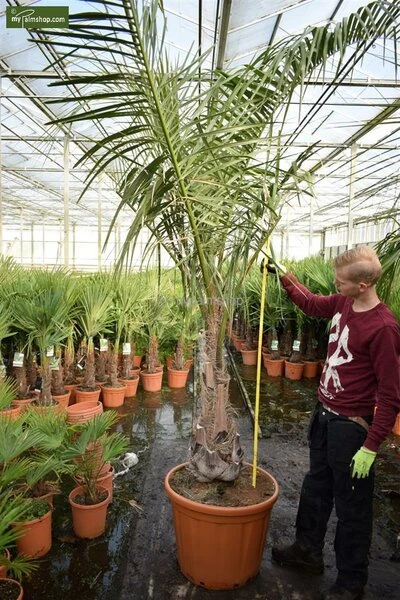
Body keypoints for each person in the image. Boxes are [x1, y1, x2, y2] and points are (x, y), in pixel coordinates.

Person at [265, 246, 400, 600]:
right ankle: (307, 551)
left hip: (351, 428)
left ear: (363, 284)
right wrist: (284, 275)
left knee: (353, 508)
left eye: (341, 281)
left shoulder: (384, 328)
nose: (335, 285)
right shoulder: (343, 303)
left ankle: (351, 583)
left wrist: (371, 446)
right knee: (316, 488)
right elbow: (311, 303)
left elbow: (390, 396)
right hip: (324, 416)